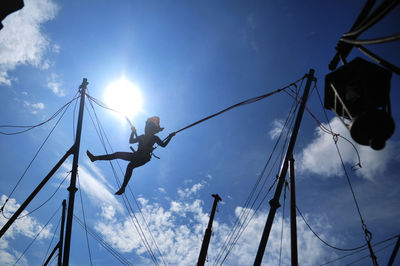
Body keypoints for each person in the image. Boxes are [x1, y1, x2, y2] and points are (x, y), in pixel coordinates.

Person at [87, 116, 175, 195]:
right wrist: (133, 132)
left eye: (148, 128)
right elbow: (131, 141)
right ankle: (95, 158)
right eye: (146, 128)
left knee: (130, 166)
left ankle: (123, 188)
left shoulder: (154, 138)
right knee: (118, 154)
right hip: (136, 155)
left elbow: (163, 145)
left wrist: (170, 137)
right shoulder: (141, 137)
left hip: (143, 158)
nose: (146, 129)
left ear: (151, 129)